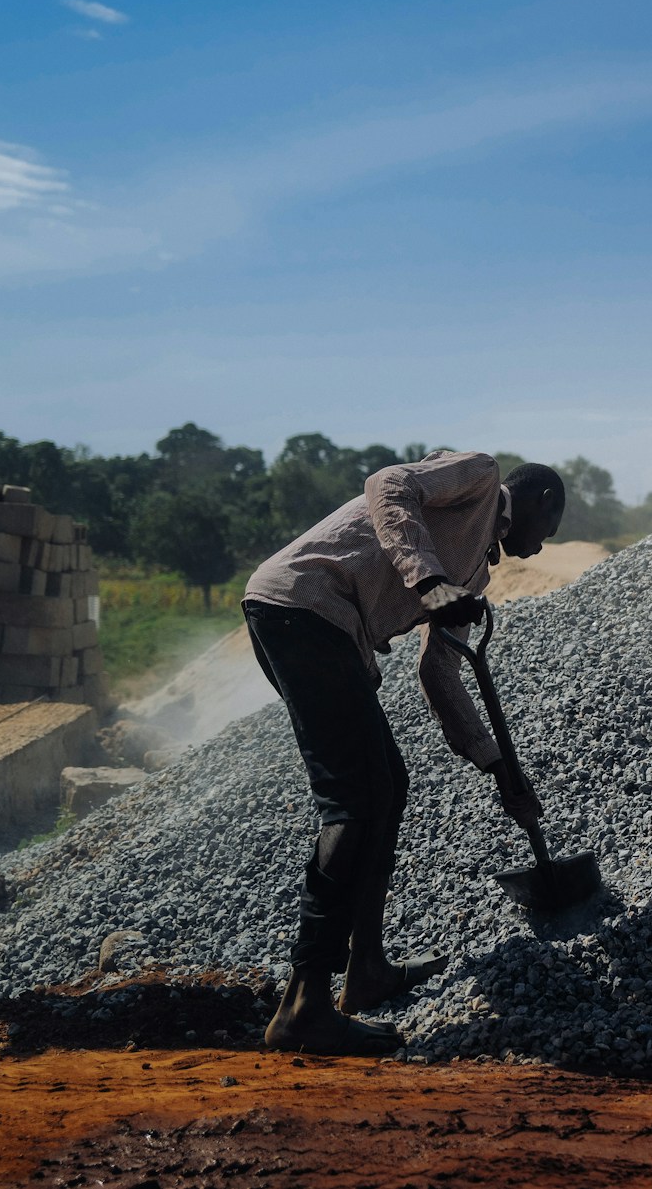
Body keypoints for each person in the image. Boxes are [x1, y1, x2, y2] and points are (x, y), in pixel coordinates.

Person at [241, 451, 565, 1053]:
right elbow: (386, 484)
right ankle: (303, 1005)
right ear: (541, 502)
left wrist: (498, 765)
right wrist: (427, 577)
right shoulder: (479, 476)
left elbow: (441, 671)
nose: (543, 549)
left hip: (333, 630)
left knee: (388, 789)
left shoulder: (474, 577)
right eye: (550, 532)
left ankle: (365, 972)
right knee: (355, 799)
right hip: (302, 606)